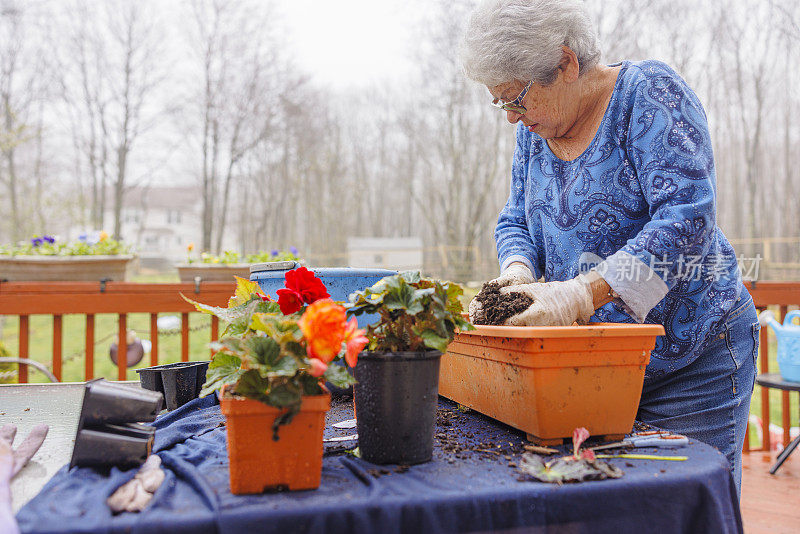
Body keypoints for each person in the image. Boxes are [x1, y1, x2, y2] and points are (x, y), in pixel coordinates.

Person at [460, 0, 758, 495]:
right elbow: (517, 215)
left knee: (680, 508)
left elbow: (688, 221)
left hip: (689, 361)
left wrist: (582, 294)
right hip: (596, 368)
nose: (512, 118)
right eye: (502, 104)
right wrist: (517, 271)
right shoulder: (539, 129)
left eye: (517, 99)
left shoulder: (648, 95)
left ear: (566, 62)